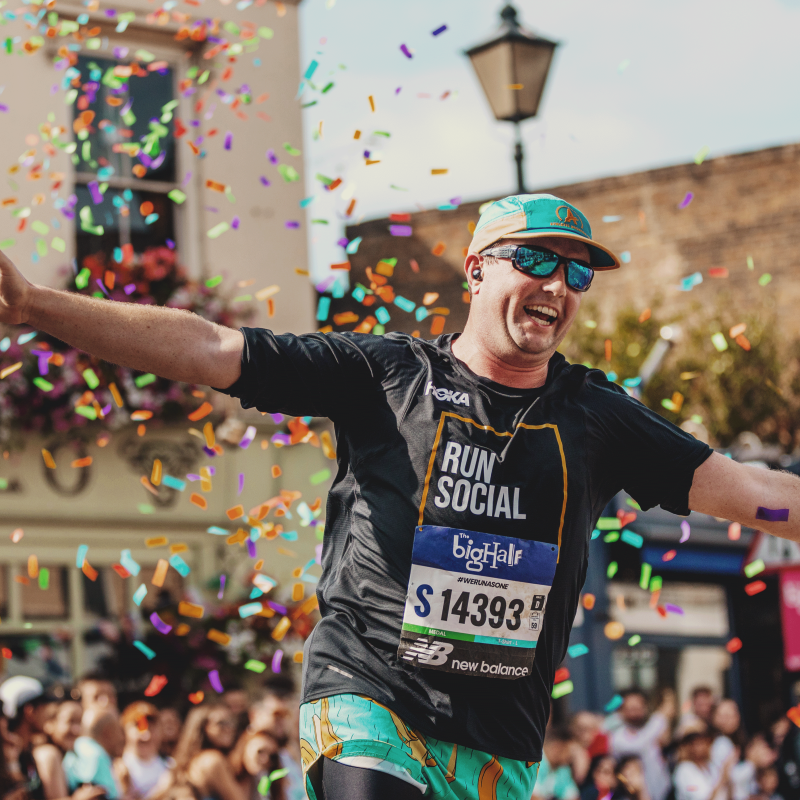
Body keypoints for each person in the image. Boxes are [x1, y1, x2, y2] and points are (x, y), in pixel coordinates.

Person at [2, 193, 795, 800]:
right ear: (478, 268)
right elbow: (211, 348)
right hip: (369, 695)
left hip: (498, 742)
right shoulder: (384, 375)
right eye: (538, 262)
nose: (560, 287)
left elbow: (751, 489)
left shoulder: (596, 418)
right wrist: (36, 305)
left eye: (577, 273)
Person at [167, 704, 243, 800]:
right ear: (204, 727)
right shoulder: (213, 760)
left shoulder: (186, 761)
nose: (229, 728)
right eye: (221, 723)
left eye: (231, 722)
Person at [610, 690, 676, 800]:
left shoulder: (655, 726)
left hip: (664, 792)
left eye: (638, 707)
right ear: (622, 711)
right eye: (630, 708)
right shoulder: (617, 738)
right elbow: (640, 744)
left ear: (645, 707)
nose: (634, 712)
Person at [63, 708, 124, 799]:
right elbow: (109, 795)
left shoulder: (77, 747)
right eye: (120, 730)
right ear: (108, 732)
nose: (122, 737)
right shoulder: (97, 755)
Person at [116, 702, 168, 799]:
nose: (146, 736)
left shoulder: (170, 766)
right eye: (139, 727)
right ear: (123, 731)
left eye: (151, 728)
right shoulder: (117, 769)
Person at [33, 700, 83, 799]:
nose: (76, 730)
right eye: (70, 721)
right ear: (50, 724)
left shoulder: (63, 755)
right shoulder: (49, 754)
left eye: (79, 722)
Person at [673, 730, 734, 800]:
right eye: (695, 744)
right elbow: (702, 797)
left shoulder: (711, 765)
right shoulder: (683, 770)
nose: (699, 747)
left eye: (702, 742)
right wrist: (722, 778)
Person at [228, 731, 285, 800]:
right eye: (260, 751)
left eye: (272, 757)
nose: (265, 760)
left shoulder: (261, 782)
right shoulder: (223, 769)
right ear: (245, 746)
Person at [532, 727, 580, 800]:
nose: (571, 756)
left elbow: (573, 796)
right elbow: (532, 796)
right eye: (570, 750)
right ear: (557, 748)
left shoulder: (564, 770)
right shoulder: (533, 762)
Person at [711, 700, 744, 772]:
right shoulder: (720, 742)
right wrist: (752, 763)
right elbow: (732, 776)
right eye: (725, 716)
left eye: (733, 715)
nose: (730, 720)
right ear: (714, 718)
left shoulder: (741, 739)